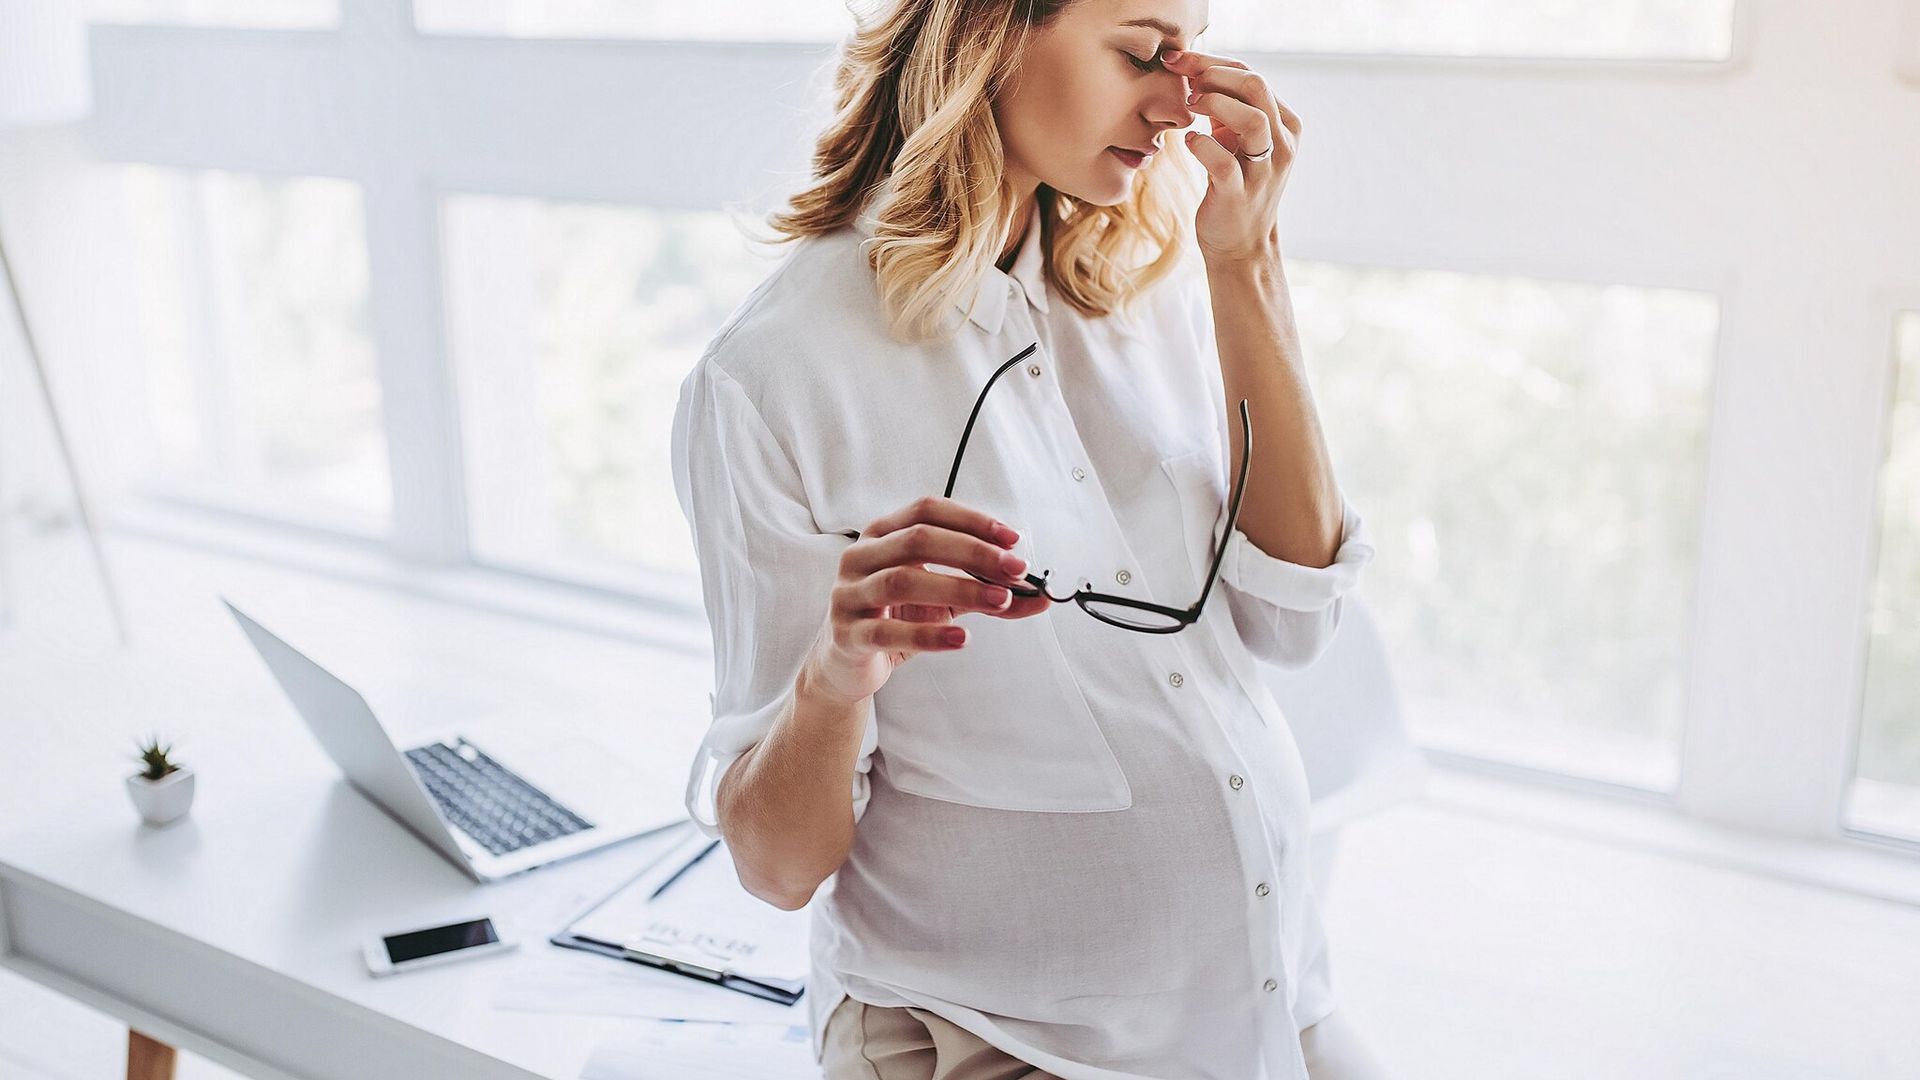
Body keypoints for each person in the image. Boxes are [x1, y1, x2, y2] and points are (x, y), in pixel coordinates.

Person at [669, 1, 1390, 1076]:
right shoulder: (775, 377)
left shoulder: (1142, 284)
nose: (1175, 100)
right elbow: (777, 866)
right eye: (1143, 53)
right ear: (988, 30)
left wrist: (1248, 263)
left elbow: (1291, 623)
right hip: (993, 1043)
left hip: (1273, 996)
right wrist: (835, 677)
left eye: (1186, 59)